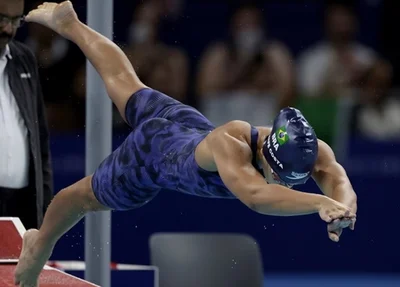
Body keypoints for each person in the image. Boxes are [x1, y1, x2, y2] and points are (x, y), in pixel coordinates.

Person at [14, 2, 357, 286]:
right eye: (281, 178)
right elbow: (256, 197)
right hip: (154, 156)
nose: (284, 186)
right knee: (82, 198)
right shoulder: (233, 144)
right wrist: (318, 202)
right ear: (267, 153)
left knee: (124, 81)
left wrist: (342, 208)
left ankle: (70, 24)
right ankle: (38, 245)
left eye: (293, 182)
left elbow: (338, 180)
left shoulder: (308, 147)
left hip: (185, 126)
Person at [0, 0, 53, 230]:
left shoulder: (24, 60)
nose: (8, 29)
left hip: (22, 206)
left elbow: (39, 143)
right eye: (1, 18)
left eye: (15, 20)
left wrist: (45, 213)